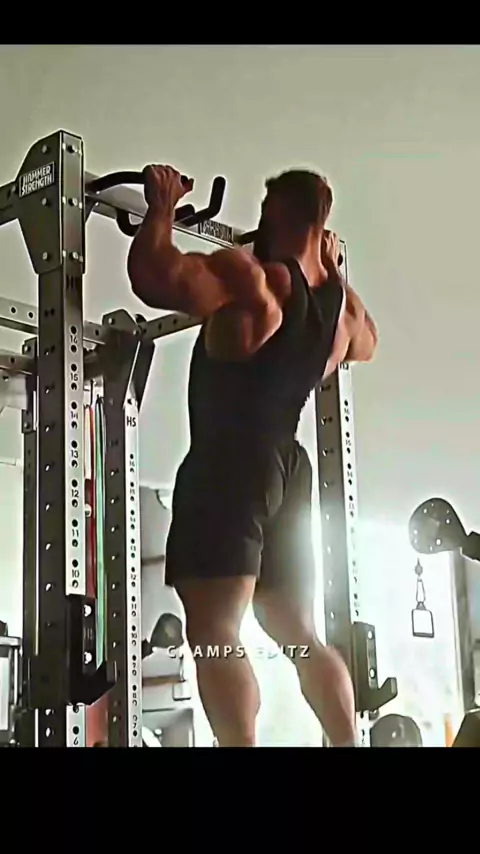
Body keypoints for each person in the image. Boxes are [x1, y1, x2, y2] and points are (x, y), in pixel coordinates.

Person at [128, 165, 378, 747]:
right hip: (287, 467)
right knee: (299, 636)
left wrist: (161, 207)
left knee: (216, 634)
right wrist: (331, 269)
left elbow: (154, 277)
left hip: (229, 464)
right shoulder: (340, 310)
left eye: (265, 212)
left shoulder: (255, 279)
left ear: (276, 214)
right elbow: (368, 342)